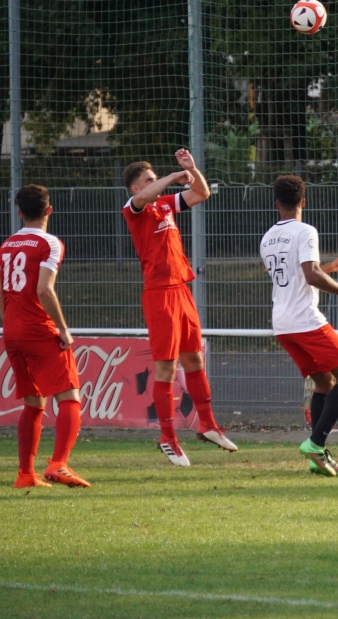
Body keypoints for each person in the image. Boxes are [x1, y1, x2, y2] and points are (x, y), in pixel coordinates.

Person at [122, 150, 236, 466]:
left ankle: (208, 425)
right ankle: (168, 438)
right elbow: (147, 195)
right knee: (166, 368)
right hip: (159, 294)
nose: (154, 182)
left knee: (194, 359)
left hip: (181, 289)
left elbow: (202, 192)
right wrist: (172, 177)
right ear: (135, 188)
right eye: (148, 179)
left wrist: (192, 169)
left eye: (155, 177)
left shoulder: (164, 205)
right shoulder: (135, 208)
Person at [259, 175, 338, 476]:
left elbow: (300, 276)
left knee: (324, 384)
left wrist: (331, 268)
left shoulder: (268, 238)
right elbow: (309, 276)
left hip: (282, 323)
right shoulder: (305, 230)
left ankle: (316, 457)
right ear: (303, 202)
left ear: (276, 204)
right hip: (305, 320)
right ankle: (316, 445)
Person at [0, 185, 89, 488]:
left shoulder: (6, 244)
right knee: (69, 396)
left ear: (19, 212)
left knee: (34, 403)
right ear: (49, 210)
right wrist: (62, 328)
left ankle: (25, 475)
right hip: (38, 328)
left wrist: (12, 326)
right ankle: (59, 464)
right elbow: (44, 289)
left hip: (12, 330)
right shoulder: (50, 243)